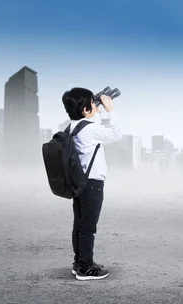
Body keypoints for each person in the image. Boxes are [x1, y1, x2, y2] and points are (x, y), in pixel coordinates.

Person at [62, 87, 122, 281]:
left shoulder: (72, 127)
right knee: (88, 227)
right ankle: (86, 269)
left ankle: (79, 262)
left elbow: (90, 122)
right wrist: (110, 110)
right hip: (93, 184)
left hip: (79, 183)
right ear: (86, 110)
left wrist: (94, 107)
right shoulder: (90, 130)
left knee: (79, 224)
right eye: (92, 104)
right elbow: (115, 134)